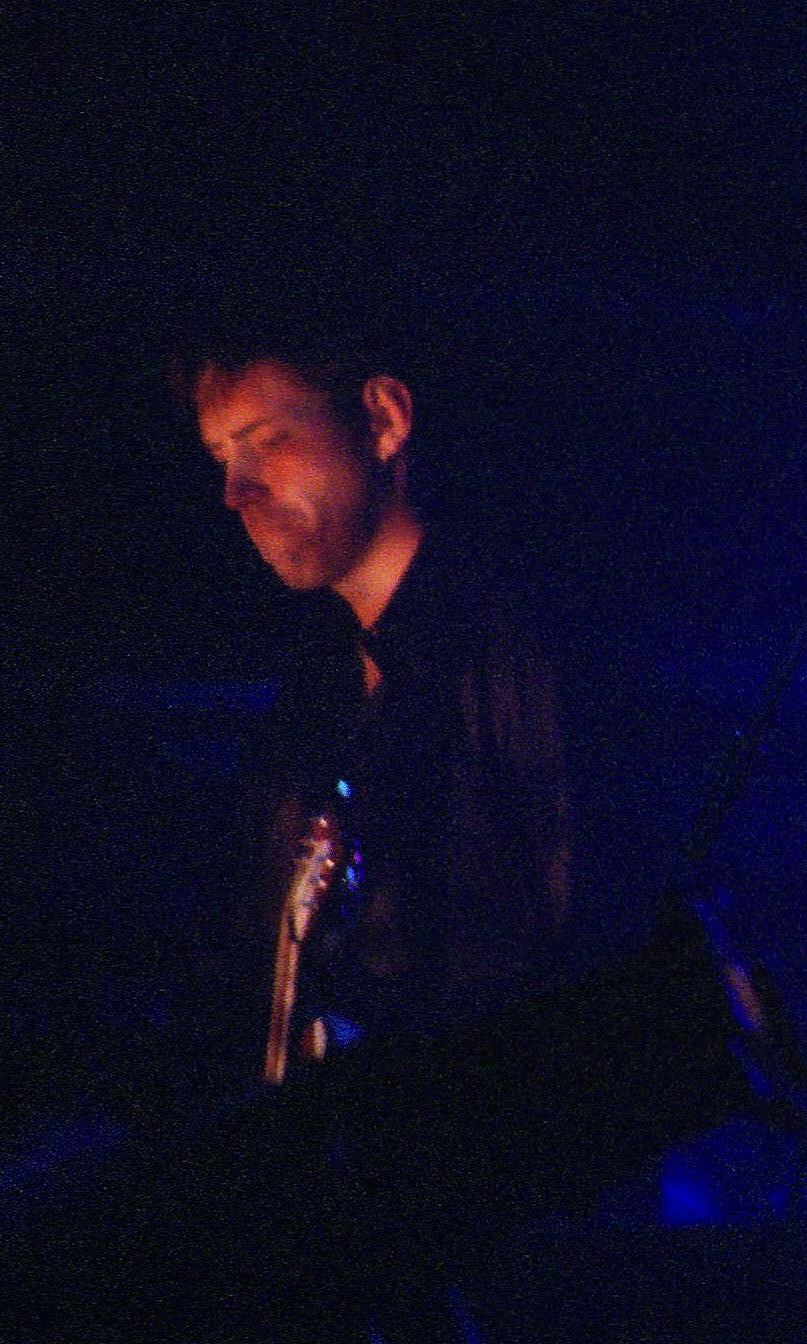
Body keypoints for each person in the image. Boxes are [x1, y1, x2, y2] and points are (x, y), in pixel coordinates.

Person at [184, 322, 575, 1084]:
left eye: (267, 441)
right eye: (223, 457)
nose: (236, 492)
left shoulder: (517, 653)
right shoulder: (313, 692)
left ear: (384, 420)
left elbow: (574, 958)